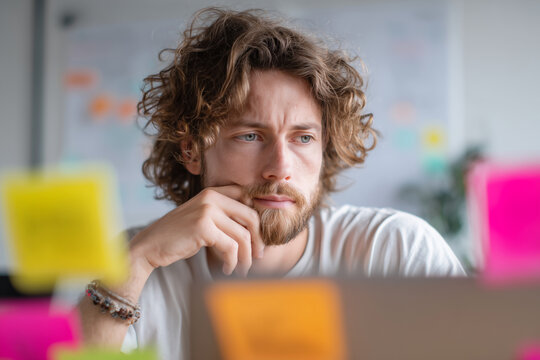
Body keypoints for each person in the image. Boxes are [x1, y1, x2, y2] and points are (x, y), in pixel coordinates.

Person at [78, 7, 465, 359]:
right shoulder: (137, 265)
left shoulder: (396, 251)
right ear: (193, 150)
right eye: (250, 136)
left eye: (303, 138)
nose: (280, 168)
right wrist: (137, 261)